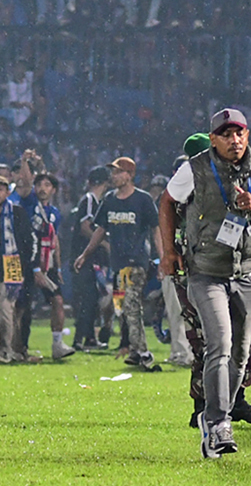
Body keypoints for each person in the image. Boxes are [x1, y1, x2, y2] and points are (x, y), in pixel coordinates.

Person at [159, 109, 251, 459]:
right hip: (206, 270)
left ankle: (220, 414)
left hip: (248, 270)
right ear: (213, 138)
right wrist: (169, 251)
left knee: (241, 354)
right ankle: (216, 424)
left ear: (248, 135)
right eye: (226, 134)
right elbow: (167, 201)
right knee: (220, 343)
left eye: (240, 133)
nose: (235, 140)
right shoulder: (196, 167)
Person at [168, 133, 251, 429]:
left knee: (238, 343)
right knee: (207, 342)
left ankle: (234, 401)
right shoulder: (189, 186)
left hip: (232, 269)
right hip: (196, 270)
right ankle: (204, 406)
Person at [75, 157, 163, 371]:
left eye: (118, 172)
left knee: (132, 305)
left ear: (129, 175)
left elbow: (155, 229)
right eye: (113, 173)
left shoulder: (142, 200)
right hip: (118, 264)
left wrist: (162, 259)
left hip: (136, 262)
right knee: (122, 308)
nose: (113, 177)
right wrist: (86, 254)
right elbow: (100, 229)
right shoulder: (109, 200)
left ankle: (143, 352)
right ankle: (134, 350)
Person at [0, 174, 37, 364]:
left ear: (8, 192)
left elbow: (28, 241)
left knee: (6, 311)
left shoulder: (17, 213)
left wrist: (25, 265)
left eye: (1, 189)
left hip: (11, 266)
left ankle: (6, 350)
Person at [18, 172, 75, 360]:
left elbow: (54, 240)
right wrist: (26, 162)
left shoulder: (55, 213)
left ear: (54, 189)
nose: (43, 188)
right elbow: (24, 183)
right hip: (26, 263)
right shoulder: (28, 205)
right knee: (23, 307)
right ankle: (19, 347)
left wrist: (57, 268)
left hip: (47, 265)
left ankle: (57, 345)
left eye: (47, 185)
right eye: (39, 184)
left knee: (58, 301)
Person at [71, 166, 112, 351]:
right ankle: (79, 339)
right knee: (87, 299)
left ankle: (89, 338)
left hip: (91, 258)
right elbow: (85, 227)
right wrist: (102, 243)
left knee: (93, 298)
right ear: (105, 183)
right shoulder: (89, 200)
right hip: (84, 257)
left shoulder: (96, 201)